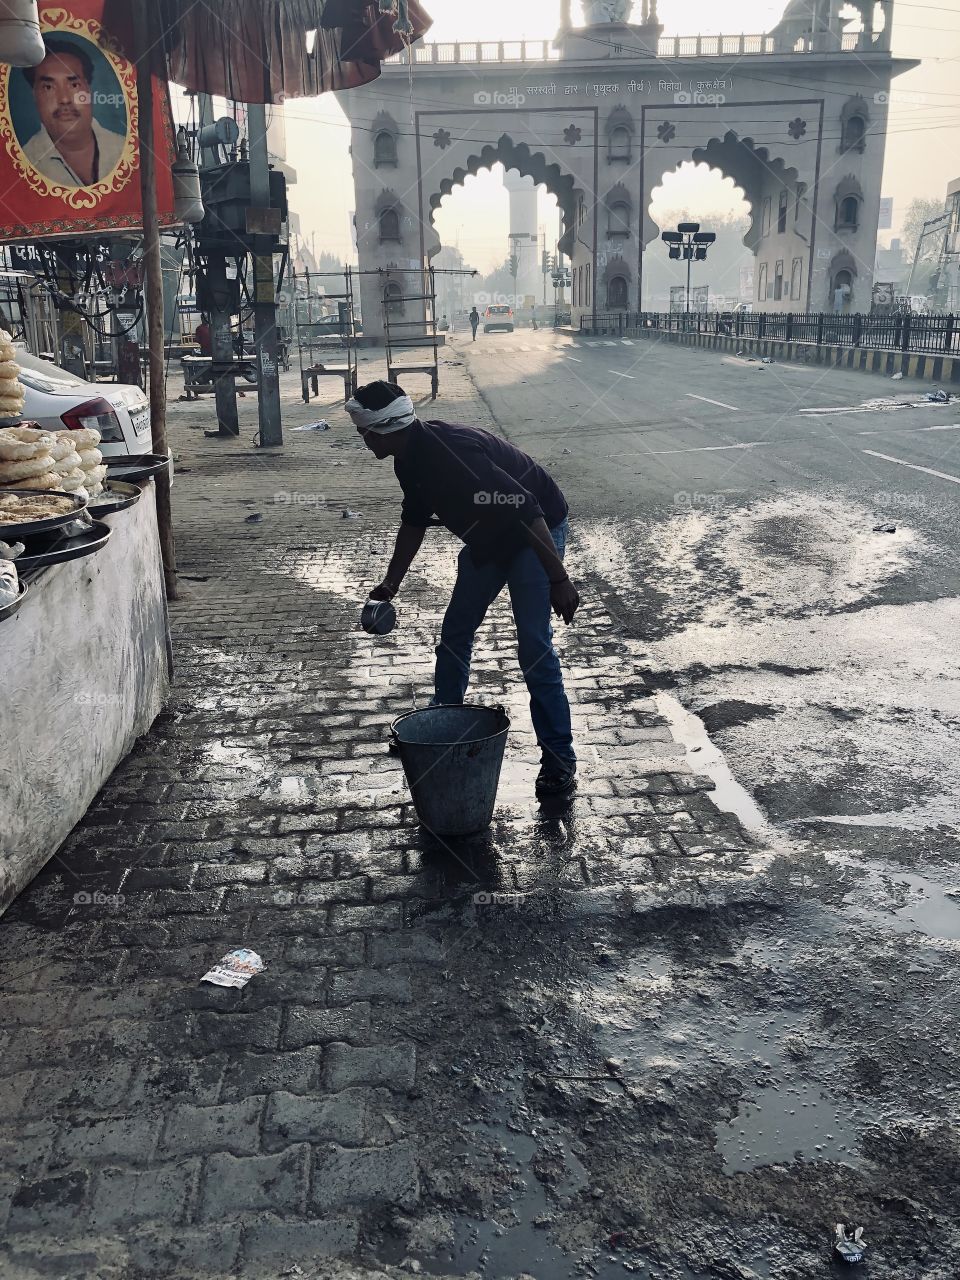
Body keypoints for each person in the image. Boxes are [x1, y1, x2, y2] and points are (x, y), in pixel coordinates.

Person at [347, 380, 580, 797]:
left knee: (533, 646)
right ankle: (443, 722)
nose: (363, 440)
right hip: (489, 540)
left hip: (533, 535)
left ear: (384, 429)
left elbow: (528, 509)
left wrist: (559, 579)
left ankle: (559, 758)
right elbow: (414, 521)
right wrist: (390, 583)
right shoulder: (407, 459)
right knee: (455, 632)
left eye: (365, 432)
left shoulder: (453, 454)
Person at [21, 40, 126, 187]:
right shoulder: (23, 163)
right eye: (48, 87)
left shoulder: (125, 150)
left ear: (88, 89)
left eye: (74, 85)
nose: (64, 99)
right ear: (34, 95)